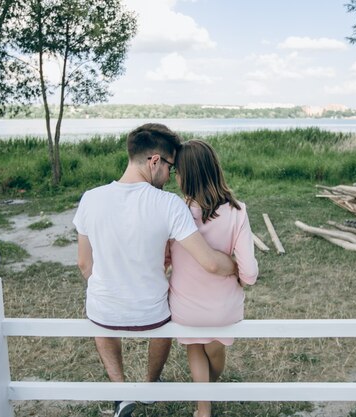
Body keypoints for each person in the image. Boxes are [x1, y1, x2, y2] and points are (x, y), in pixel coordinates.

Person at [72, 124, 236, 417]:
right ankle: (149, 385)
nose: (172, 176)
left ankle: (121, 392)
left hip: (104, 309)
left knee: (101, 319)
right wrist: (238, 266)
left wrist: (109, 286)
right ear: (155, 161)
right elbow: (209, 262)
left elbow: (84, 263)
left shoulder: (90, 198)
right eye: (171, 168)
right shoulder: (169, 204)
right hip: (152, 314)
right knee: (166, 315)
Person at [168, 140, 259, 417]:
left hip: (185, 307)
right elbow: (250, 273)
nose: (177, 178)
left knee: (194, 348)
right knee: (214, 354)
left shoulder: (175, 212)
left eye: (178, 172)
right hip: (223, 309)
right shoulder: (237, 211)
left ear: (186, 175)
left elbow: (164, 259)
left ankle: (203, 407)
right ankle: (205, 399)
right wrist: (240, 275)